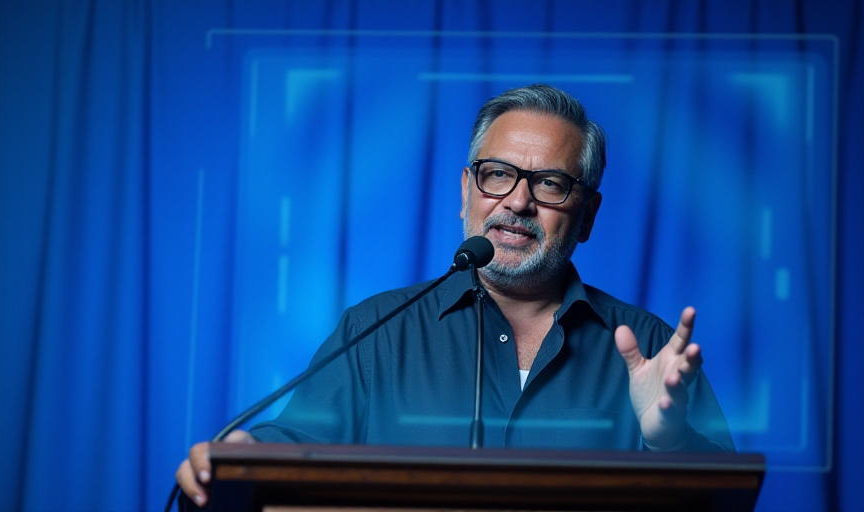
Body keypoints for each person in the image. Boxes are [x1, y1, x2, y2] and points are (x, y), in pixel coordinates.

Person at [176, 84, 733, 507]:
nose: (517, 202)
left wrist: (669, 441)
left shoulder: (652, 348)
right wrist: (241, 459)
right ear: (467, 191)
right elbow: (290, 448)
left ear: (587, 215)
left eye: (551, 184)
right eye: (497, 175)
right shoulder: (376, 331)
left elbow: (727, 499)